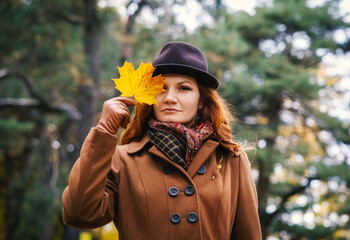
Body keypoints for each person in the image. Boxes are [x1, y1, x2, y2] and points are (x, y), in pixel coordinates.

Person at [62, 41, 262, 239]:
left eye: (184, 88)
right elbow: (78, 214)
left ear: (201, 100)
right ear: (149, 96)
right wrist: (104, 130)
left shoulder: (231, 159)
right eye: (161, 88)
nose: (170, 98)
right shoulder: (123, 159)